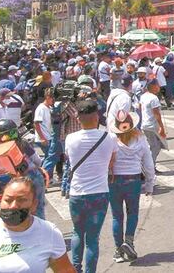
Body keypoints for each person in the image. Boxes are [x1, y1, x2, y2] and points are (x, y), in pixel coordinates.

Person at [64, 98, 118, 273]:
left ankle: (76, 268)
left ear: (78, 118)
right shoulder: (110, 137)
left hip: (77, 194)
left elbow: (69, 161)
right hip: (99, 193)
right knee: (93, 239)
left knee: (77, 232)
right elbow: (112, 163)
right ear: (97, 117)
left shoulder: (70, 139)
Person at [108, 109, 155, 264]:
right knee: (132, 213)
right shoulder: (140, 139)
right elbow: (148, 163)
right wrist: (149, 184)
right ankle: (128, 241)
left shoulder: (111, 139)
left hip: (114, 180)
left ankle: (118, 251)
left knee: (116, 216)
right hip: (133, 180)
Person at [139, 79, 166, 162]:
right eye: (158, 85)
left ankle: (149, 165)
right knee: (155, 147)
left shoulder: (143, 96)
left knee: (154, 146)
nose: (159, 87)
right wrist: (161, 127)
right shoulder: (154, 98)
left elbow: (139, 108)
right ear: (153, 87)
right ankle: (150, 166)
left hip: (145, 124)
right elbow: (156, 114)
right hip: (152, 126)